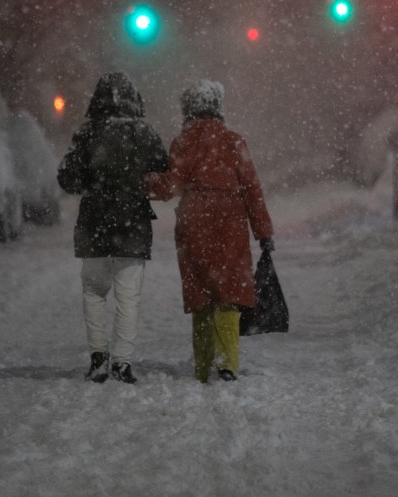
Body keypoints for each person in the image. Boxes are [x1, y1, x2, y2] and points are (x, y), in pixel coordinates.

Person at [147, 80, 274, 383]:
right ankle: (227, 361)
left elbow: (171, 186)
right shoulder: (234, 141)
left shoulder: (183, 142)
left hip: (195, 220)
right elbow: (252, 190)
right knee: (228, 295)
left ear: (187, 108)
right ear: (218, 106)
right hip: (230, 220)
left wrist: (145, 181)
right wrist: (263, 232)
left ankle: (203, 365)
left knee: (201, 294)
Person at [57, 72, 169, 384]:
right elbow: (163, 168)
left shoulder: (87, 133)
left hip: (94, 221)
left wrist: (91, 180)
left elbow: (67, 178)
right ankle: (122, 361)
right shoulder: (143, 132)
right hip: (132, 222)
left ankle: (98, 358)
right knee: (128, 295)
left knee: (94, 291)